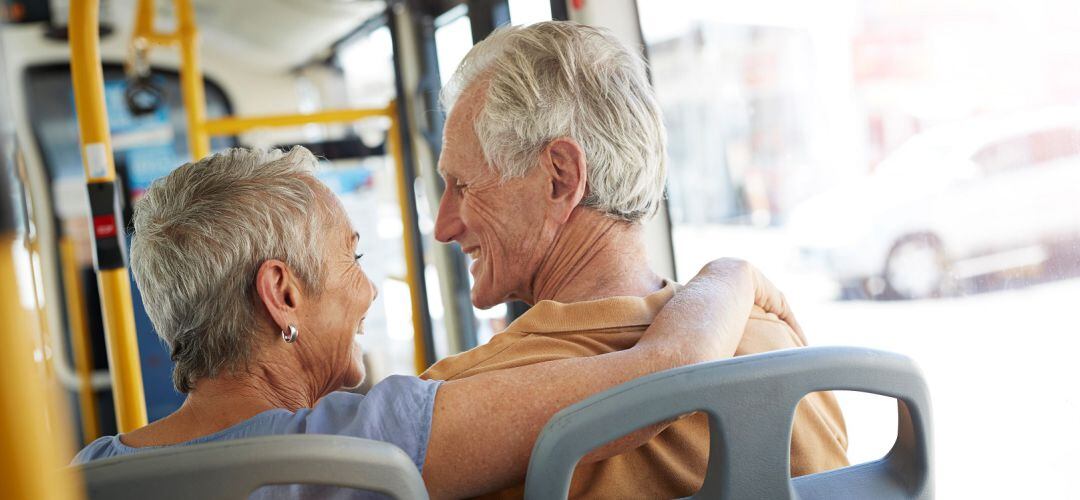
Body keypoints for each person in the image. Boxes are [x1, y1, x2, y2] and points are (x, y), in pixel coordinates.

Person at [72, 147, 796, 500]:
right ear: (282, 294)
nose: (367, 290)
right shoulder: (364, 446)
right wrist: (733, 273)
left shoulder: (77, 478)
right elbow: (667, 376)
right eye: (352, 257)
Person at [424, 21, 849, 498]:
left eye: (462, 186)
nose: (443, 227)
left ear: (560, 179)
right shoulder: (781, 346)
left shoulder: (462, 402)